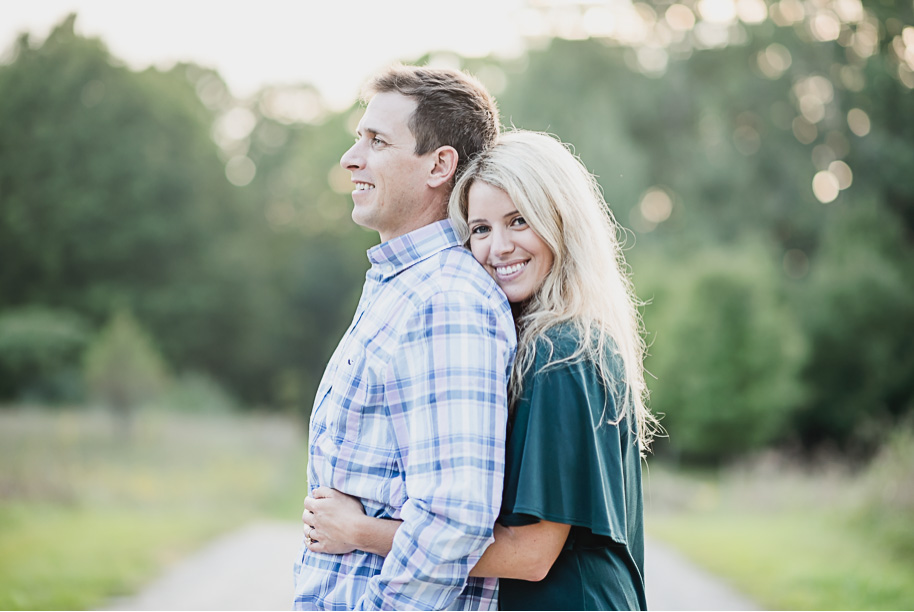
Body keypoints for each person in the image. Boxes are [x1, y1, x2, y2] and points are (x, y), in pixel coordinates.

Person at [302, 130, 660, 610]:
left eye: (519, 221)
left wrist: (360, 531)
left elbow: (531, 555)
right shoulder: (552, 341)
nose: (499, 247)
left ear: (561, 222)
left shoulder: (562, 356)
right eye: (481, 229)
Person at [292, 65, 517, 611]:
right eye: (357, 139)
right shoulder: (404, 288)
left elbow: (454, 520)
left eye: (376, 141)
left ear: (440, 165)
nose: (351, 158)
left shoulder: (448, 301)